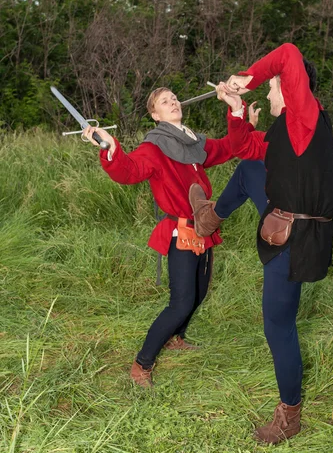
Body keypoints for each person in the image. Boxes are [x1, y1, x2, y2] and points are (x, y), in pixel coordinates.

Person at [189, 43, 333, 444]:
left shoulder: (304, 117)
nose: (269, 94)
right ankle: (209, 218)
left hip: (296, 238)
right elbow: (245, 148)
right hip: (288, 222)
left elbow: (289, 52)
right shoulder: (286, 131)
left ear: (289, 88)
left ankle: (290, 415)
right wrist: (236, 111)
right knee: (246, 169)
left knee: (277, 325)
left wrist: (246, 77)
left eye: (271, 87)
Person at [83, 87, 258, 388]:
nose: (174, 102)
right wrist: (110, 148)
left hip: (203, 227)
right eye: (165, 101)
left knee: (200, 293)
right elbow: (130, 170)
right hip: (180, 232)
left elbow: (229, 147)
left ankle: (175, 338)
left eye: (175, 98)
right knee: (181, 301)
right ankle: (142, 364)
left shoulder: (193, 142)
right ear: (155, 115)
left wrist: (245, 122)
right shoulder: (154, 147)